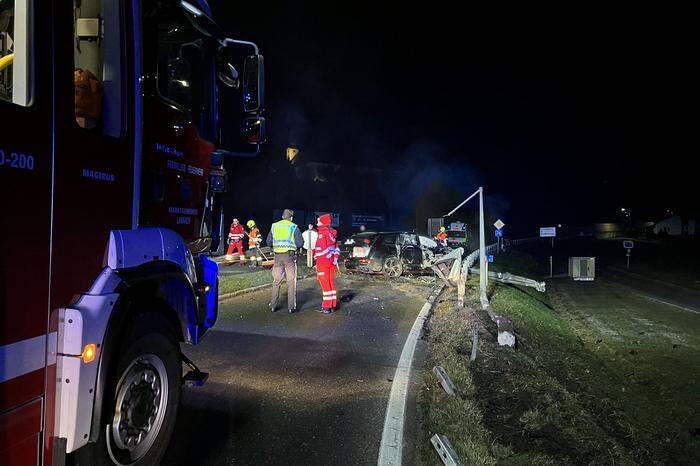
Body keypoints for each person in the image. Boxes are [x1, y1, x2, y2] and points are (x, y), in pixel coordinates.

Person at [267, 209, 304, 313]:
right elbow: (300, 243)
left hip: (277, 257)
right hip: (289, 257)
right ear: (291, 217)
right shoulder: (293, 227)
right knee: (291, 282)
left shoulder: (274, 226)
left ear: (282, 216)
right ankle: (291, 307)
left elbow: (268, 241)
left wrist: (275, 247)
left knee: (276, 281)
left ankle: (273, 306)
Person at [314, 213, 340, 314]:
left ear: (323, 222)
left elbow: (320, 249)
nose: (317, 222)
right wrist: (334, 258)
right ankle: (333, 305)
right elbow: (336, 248)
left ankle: (326, 306)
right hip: (331, 262)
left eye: (318, 221)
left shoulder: (322, 233)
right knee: (331, 283)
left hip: (323, 262)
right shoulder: (332, 233)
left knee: (325, 284)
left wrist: (317, 258)